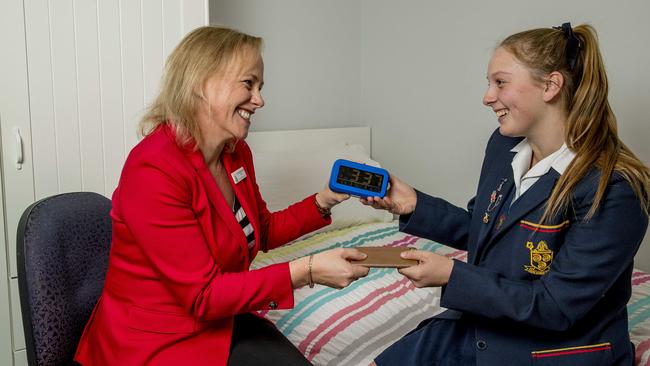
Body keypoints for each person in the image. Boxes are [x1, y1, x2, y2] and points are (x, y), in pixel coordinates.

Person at [74, 26, 369, 366]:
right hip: (155, 343)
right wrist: (308, 270)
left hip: (218, 320)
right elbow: (202, 295)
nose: (260, 99)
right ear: (201, 84)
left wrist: (325, 199)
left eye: (260, 87)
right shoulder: (153, 170)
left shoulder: (236, 153)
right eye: (249, 84)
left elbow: (263, 230)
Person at [363, 23, 650, 365]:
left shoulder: (615, 185)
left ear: (550, 85)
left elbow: (555, 306)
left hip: (555, 349)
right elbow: (487, 232)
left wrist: (452, 275)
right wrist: (414, 204)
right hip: (485, 323)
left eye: (500, 82)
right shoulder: (504, 147)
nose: (487, 97)